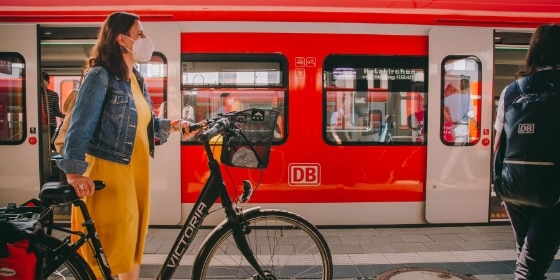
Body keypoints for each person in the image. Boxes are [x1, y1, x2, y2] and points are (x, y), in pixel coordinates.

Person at [56, 11, 197, 280]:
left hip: (135, 172)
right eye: (139, 33)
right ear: (122, 39)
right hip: (110, 172)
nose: (145, 39)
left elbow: (143, 123)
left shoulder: (136, 79)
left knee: (132, 243)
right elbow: (80, 126)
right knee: (109, 250)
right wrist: (74, 174)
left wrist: (174, 125)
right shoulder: (100, 76)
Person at [493, 23, 560, 280]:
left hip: (515, 188)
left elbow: (501, 143)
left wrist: (501, 184)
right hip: (553, 190)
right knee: (529, 267)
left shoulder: (513, 91)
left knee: (526, 254)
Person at [443, 78, 474, 144]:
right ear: (469, 87)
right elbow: (470, 113)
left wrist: (445, 114)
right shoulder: (466, 97)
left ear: (459, 86)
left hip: (453, 127)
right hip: (462, 127)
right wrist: (477, 123)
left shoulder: (451, 97)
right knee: (458, 150)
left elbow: (441, 103)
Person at [42, 72, 65, 140]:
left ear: (48, 82)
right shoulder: (34, 94)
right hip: (39, 124)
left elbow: (56, 111)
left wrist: (65, 116)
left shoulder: (53, 94)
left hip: (51, 124)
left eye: (45, 80)